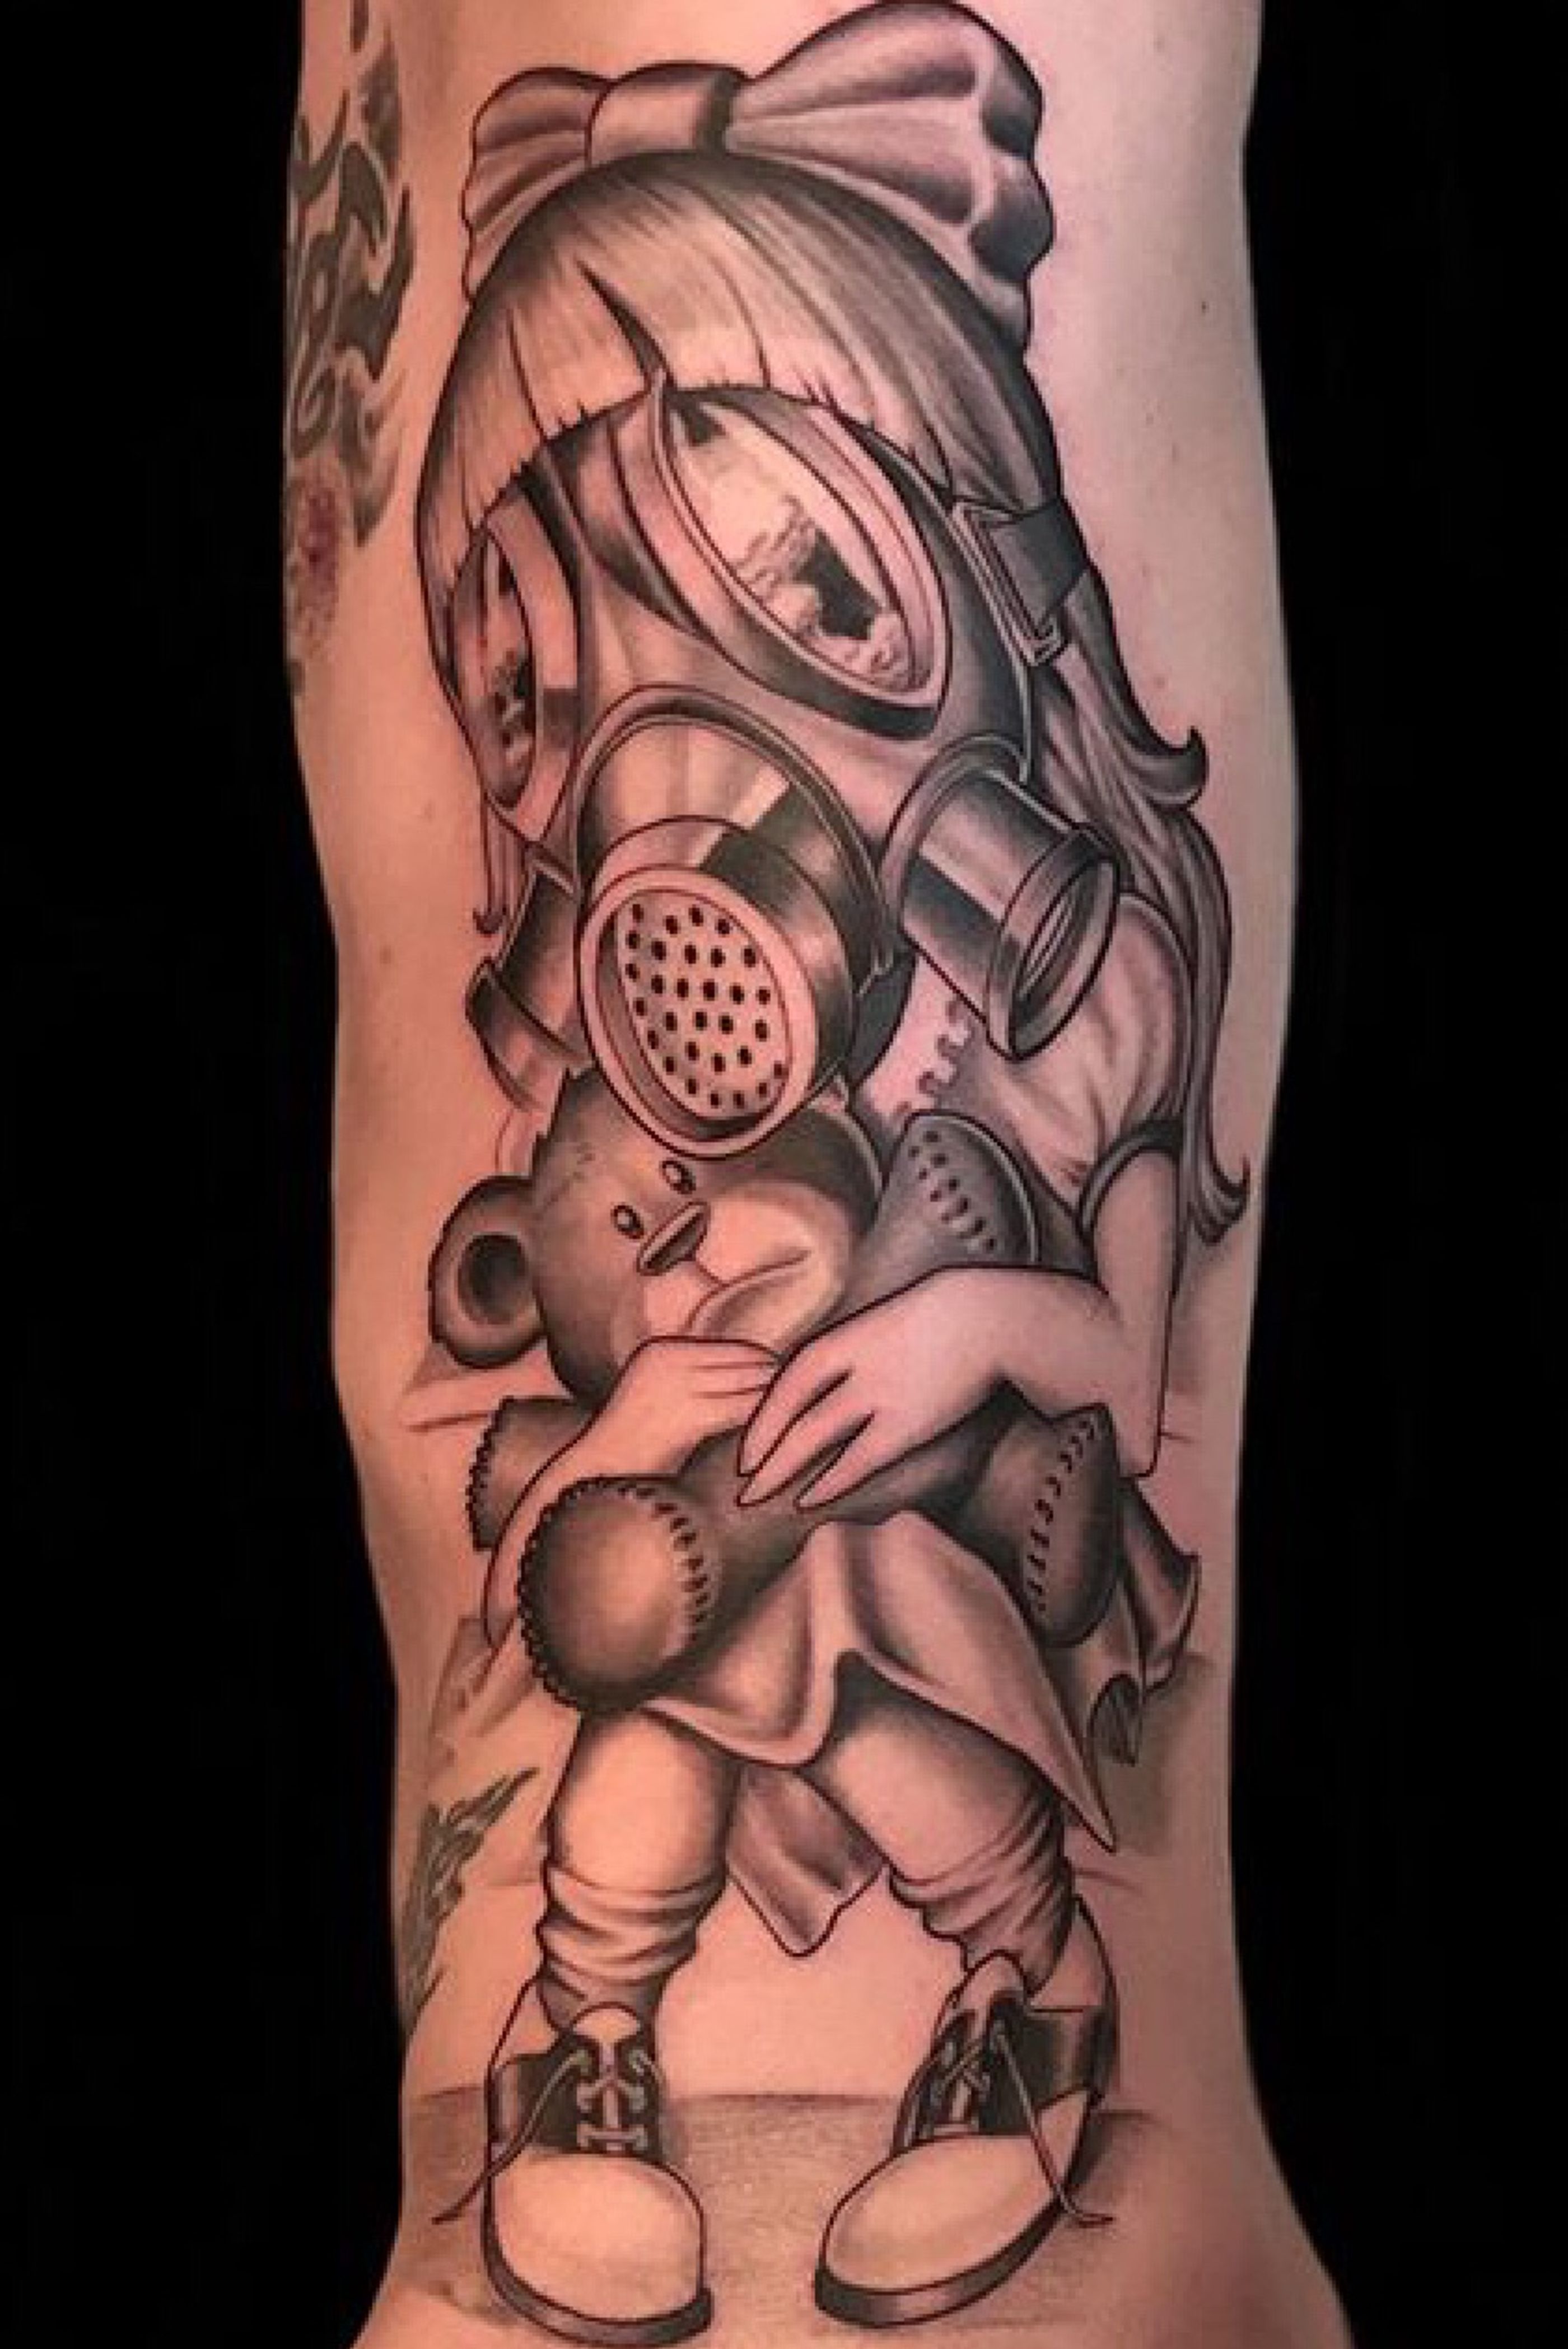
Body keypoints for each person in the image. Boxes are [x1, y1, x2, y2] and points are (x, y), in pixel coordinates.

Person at [286, 3, 1350, 2343]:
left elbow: (1126, 1357)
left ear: (990, 603)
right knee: (654, 1743)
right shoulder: (640, 1093)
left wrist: (965, 1328)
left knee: (894, 1732)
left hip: (932, 1539)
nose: (671, 763)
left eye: (797, 602)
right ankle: (593, 2040)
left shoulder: (1047, 997)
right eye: (559, 692)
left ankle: (1016, 1992)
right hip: (731, 1539)